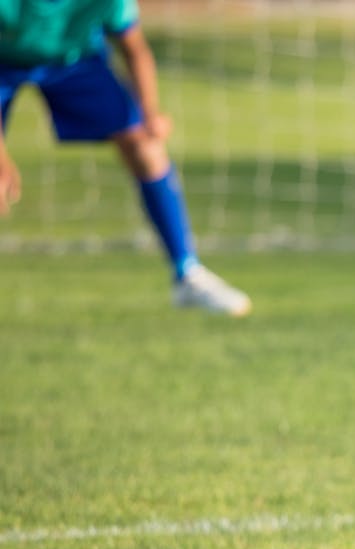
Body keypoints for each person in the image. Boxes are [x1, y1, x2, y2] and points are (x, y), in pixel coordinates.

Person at [0, 0, 250, 316]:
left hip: (74, 62)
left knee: (145, 146)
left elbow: (135, 49)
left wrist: (150, 114)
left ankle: (188, 274)